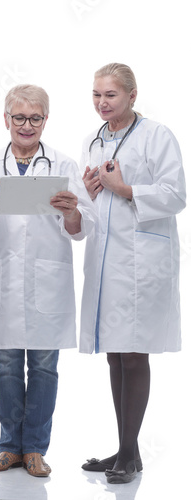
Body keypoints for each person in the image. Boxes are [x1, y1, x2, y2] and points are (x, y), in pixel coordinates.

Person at [0, 84, 96, 477]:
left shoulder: (64, 165)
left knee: (43, 367)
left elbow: (80, 230)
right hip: (3, 277)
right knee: (5, 365)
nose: (26, 125)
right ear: (5, 119)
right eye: (18, 117)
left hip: (46, 280)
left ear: (45, 121)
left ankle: (34, 448)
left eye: (35, 118)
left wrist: (72, 211)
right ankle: (9, 448)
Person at [80, 63, 186, 484]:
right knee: (114, 350)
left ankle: (127, 452)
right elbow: (94, 197)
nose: (102, 103)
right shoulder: (93, 140)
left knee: (133, 352)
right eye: (96, 95)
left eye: (110, 95)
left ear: (132, 95)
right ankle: (128, 450)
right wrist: (90, 190)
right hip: (107, 259)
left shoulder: (157, 136)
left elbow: (176, 194)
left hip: (142, 263)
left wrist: (124, 189)